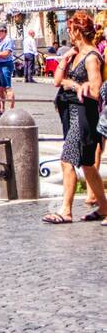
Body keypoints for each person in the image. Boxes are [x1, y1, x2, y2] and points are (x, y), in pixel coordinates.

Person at [45, 11, 107, 224]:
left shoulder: (91, 57)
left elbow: (97, 91)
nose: (69, 34)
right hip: (70, 113)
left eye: (71, 30)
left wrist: (75, 85)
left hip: (83, 114)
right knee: (87, 164)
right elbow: (56, 80)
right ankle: (105, 208)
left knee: (67, 159)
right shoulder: (74, 54)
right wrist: (64, 59)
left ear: (79, 31)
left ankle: (66, 211)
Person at [0, 23, 16, 114]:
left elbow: (6, 54)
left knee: (7, 87)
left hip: (5, 64)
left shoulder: (8, 40)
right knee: (0, 88)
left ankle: (11, 110)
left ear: (4, 31)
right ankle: (1, 108)